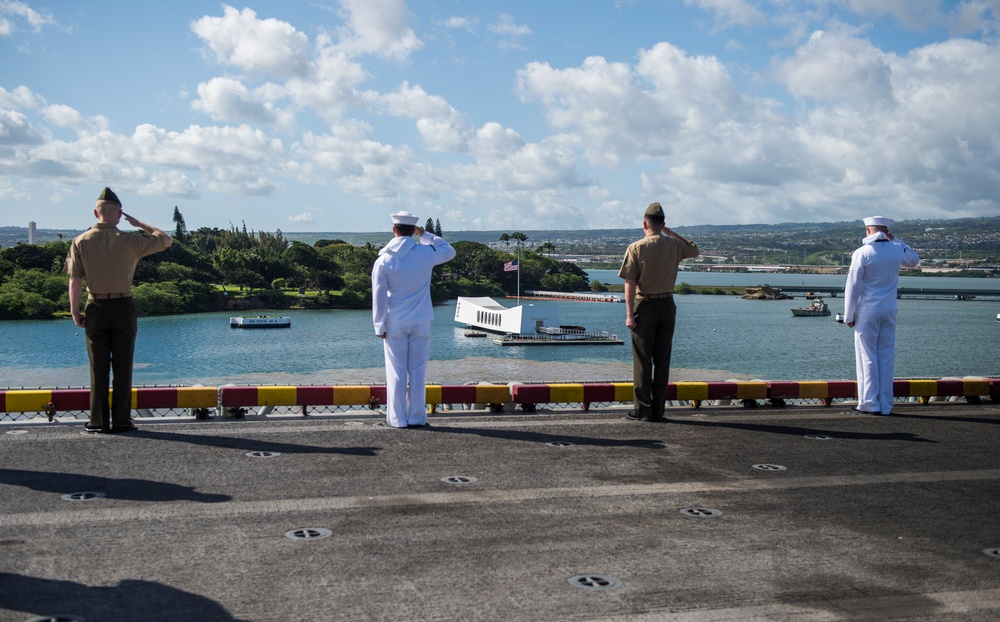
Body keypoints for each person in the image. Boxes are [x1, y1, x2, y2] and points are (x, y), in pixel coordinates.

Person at [66, 187, 173, 433]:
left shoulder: (80, 241)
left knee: (98, 367)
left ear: (96, 213)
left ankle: (98, 421)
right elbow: (166, 240)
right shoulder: (130, 240)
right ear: (119, 214)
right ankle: (123, 420)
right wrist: (139, 223)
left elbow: (75, 281)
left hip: (96, 306)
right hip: (124, 306)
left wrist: (74, 312)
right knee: (123, 366)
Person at [371, 210, 456, 428]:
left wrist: (379, 324)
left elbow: (379, 296)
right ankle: (418, 417)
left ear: (393, 230)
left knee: (396, 372)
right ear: (413, 230)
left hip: (395, 322)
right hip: (421, 321)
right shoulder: (425, 253)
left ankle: (398, 419)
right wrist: (425, 235)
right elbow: (449, 251)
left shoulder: (385, 260)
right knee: (418, 371)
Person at [618, 202, 700, 421]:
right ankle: (659, 410)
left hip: (644, 306)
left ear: (644, 223)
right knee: (662, 360)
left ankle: (643, 411)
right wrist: (670, 232)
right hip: (667, 305)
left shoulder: (636, 247)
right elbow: (694, 249)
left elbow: (630, 283)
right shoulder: (674, 245)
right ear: (663, 224)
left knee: (642, 360)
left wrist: (628, 314)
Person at [843, 216, 920, 415]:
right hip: (889, 310)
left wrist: (849, 315)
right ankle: (886, 405)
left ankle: (869, 403)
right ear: (886, 231)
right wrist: (896, 240)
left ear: (868, 230)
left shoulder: (862, 253)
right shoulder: (896, 250)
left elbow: (853, 286)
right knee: (886, 356)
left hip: (868, 310)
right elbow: (914, 260)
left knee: (866, 356)